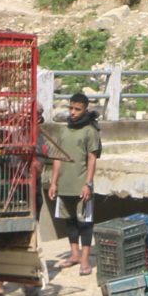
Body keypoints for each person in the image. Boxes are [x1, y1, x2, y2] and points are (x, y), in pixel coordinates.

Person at [42, 90, 102, 274]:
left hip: (81, 185)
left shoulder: (90, 131)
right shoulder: (63, 130)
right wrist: (53, 183)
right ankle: (74, 254)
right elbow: (57, 158)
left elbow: (92, 158)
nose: (73, 112)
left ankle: (85, 260)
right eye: (71, 108)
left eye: (78, 109)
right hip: (64, 185)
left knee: (85, 222)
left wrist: (88, 183)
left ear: (85, 110)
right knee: (69, 220)